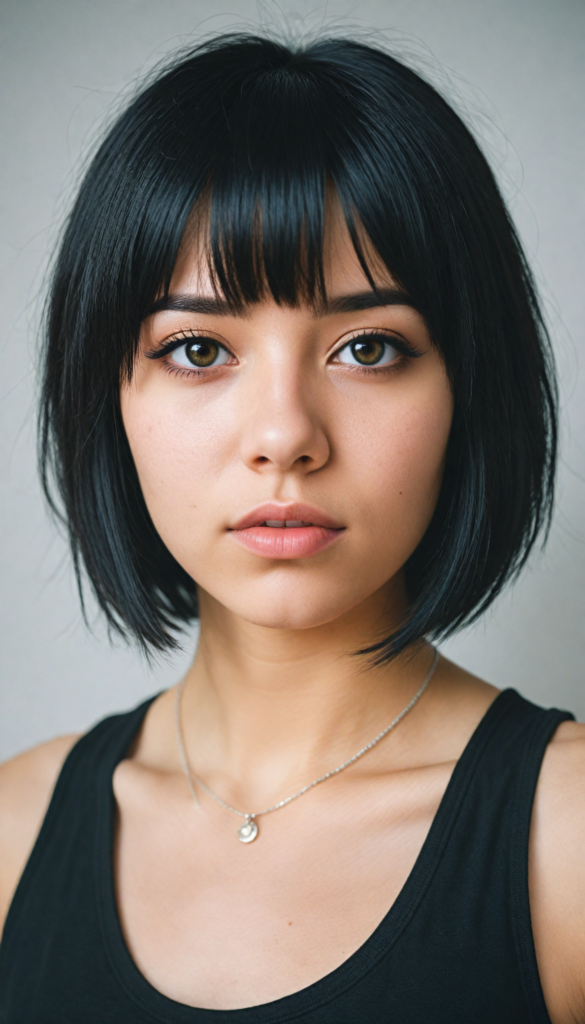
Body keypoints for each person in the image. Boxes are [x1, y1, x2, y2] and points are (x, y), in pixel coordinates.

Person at [0, 31, 583, 1023]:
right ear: (111, 397)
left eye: (367, 346)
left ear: (469, 389)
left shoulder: (565, 842)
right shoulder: (13, 830)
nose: (285, 435)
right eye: (195, 348)